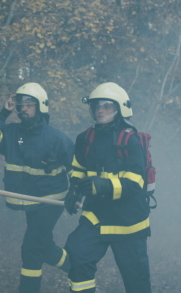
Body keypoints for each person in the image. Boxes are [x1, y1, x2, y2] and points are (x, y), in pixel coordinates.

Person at [0, 82, 74, 293]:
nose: (23, 108)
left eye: (29, 104)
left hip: (51, 202)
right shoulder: (12, 133)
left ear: (41, 107)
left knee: (30, 248)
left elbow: (75, 168)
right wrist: (4, 111)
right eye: (21, 104)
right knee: (43, 245)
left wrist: (75, 192)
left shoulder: (56, 138)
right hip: (31, 202)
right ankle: (77, 268)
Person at [64, 82, 151, 293]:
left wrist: (102, 186)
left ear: (120, 108)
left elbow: (135, 183)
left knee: (136, 282)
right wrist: (74, 190)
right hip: (97, 216)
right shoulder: (84, 139)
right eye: (96, 106)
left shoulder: (130, 140)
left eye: (107, 106)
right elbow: (78, 169)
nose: (100, 110)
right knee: (77, 256)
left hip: (128, 222)